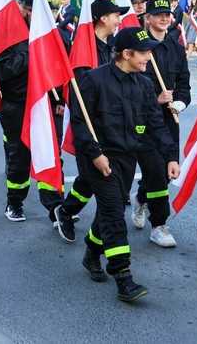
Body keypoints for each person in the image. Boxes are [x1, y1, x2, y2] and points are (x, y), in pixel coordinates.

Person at [69, 27, 180, 302]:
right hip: (99, 159)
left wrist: (171, 156)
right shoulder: (93, 80)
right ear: (126, 54)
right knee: (113, 211)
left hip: (127, 158)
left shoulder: (144, 84)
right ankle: (123, 276)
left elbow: (155, 124)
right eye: (144, 53)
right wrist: (95, 154)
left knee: (111, 209)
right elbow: (80, 123)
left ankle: (92, 252)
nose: (149, 58)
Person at [54, 0, 129, 242]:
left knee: (90, 178)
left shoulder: (112, 46)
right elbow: (80, 94)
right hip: (90, 122)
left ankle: (66, 210)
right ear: (103, 18)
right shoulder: (85, 49)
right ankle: (98, 245)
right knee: (100, 177)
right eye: (116, 15)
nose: (119, 20)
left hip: (112, 122)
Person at [0, 0, 65, 223]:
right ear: (23, 9)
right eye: (33, 11)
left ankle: (56, 208)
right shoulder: (9, 37)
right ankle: (14, 202)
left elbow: (62, 73)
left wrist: (60, 101)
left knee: (51, 156)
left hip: (47, 106)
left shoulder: (54, 36)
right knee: (19, 158)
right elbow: (1, 71)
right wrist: (29, 54)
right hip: (18, 106)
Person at [130, 0, 191, 247]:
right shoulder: (140, 46)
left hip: (169, 119)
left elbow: (184, 83)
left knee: (166, 171)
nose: (165, 18)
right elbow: (129, 87)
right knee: (155, 170)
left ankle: (141, 198)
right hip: (143, 120)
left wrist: (180, 102)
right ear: (148, 18)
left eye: (167, 14)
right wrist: (155, 99)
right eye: (159, 14)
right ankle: (159, 225)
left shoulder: (176, 48)